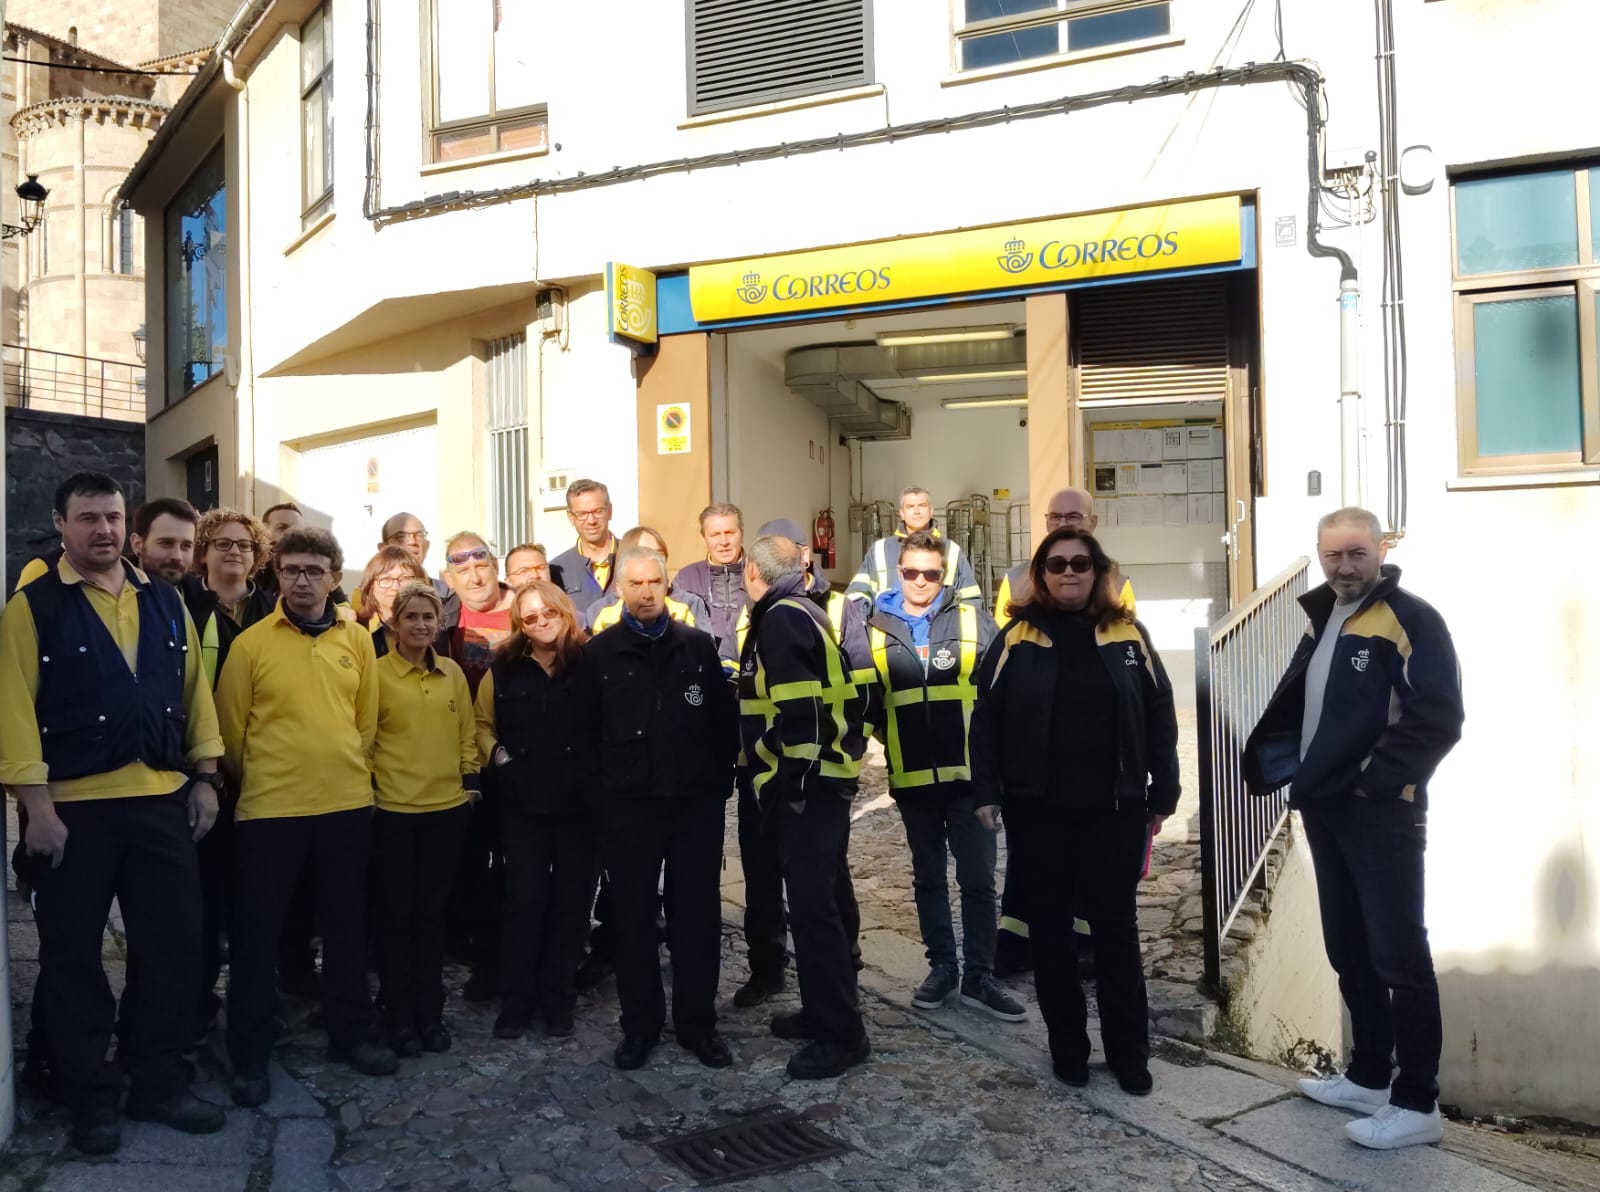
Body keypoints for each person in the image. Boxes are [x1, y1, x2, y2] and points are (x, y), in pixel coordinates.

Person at [0, 471, 225, 1154]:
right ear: (61, 526)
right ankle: (89, 1095)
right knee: (73, 959)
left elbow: (192, 694)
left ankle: (157, 1081)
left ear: (128, 527)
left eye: (112, 517)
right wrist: (35, 807)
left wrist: (206, 777)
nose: (102, 530)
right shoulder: (30, 607)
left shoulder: (166, 602)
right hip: (74, 811)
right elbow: (12, 710)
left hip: (161, 804)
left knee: (172, 950)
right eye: (87, 518)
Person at [1244, 508, 1463, 1151]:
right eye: (1333, 554)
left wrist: (1374, 779)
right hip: (1328, 807)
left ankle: (1417, 1102)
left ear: (1380, 550)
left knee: (1400, 957)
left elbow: (1439, 715)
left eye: (1357, 554)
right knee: (1349, 948)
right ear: (1319, 554)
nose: (1345, 566)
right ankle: (1370, 1076)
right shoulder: (1329, 615)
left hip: (1381, 811)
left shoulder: (1410, 619)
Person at [970, 527, 1179, 1095]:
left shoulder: (1129, 635)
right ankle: (1068, 1050)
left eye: (1080, 564)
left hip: (1114, 811)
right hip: (1039, 813)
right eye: (1056, 565)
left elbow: (1161, 714)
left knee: (1116, 935)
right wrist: (986, 791)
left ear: (1098, 572)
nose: (1068, 573)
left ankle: (1129, 1054)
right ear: (1041, 576)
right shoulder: (1018, 636)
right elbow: (985, 718)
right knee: (1052, 938)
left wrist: (1165, 792)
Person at [215, 525, 398, 1107]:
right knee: (257, 935)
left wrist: (343, 769)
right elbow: (230, 733)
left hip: (345, 806)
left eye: (314, 570)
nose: (302, 580)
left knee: (345, 929)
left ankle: (351, 1034)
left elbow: (365, 721)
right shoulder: (250, 644)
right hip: (271, 810)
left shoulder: (359, 640)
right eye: (291, 569)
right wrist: (264, 781)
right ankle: (249, 1053)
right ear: (276, 575)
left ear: (332, 576)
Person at [578, 546, 738, 1071]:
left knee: (697, 918)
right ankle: (639, 1028)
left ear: (667, 586)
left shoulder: (696, 646)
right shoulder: (599, 655)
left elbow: (722, 725)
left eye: (655, 583)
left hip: (693, 809)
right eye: (636, 584)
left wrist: (716, 788)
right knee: (633, 922)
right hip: (629, 810)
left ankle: (697, 1025)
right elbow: (586, 736)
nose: (646, 593)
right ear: (620, 589)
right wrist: (603, 799)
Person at [866, 530, 1024, 1022]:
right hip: (912, 779)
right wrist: (889, 742)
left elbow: (1004, 697)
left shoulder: (974, 620)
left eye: (931, 574)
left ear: (944, 575)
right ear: (899, 573)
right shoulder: (872, 626)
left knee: (978, 879)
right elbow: (864, 698)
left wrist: (999, 770)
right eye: (910, 572)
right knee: (929, 877)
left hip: (970, 779)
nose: (920, 581)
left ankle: (980, 974)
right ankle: (942, 968)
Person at [740, 533, 872, 1079]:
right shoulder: (808, 610)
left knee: (814, 913)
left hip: (807, 789)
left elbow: (802, 711)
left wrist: (789, 784)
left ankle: (841, 1033)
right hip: (824, 783)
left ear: (754, 571)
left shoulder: (781, 618)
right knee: (828, 903)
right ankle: (825, 1010)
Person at [992, 485, 1136, 980]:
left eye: (1072, 515)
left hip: (1092, 755)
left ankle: (1083, 941)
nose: (1060, 521)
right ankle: (1013, 941)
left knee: (1084, 866)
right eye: (1053, 515)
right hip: (1030, 750)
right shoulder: (1014, 579)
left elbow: (1125, 651)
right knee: (1027, 861)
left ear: (1093, 522)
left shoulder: (1116, 578)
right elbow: (1004, 654)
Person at [476, 580, 599, 1040]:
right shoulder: (503, 667)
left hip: (578, 807)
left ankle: (558, 1000)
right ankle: (516, 1001)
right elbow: (481, 724)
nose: (542, 622)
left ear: (564, 612)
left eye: (549, 612)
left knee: (570, 908)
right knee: (523, 904)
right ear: (520, 625)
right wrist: (500, 758)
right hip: (522, 804)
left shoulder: (591, 663)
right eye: (530, 617)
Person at [369, 581, 478, 1057]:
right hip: (393, 811)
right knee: (396, 917)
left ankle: (430, 1013)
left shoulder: (451, 672)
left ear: (439, 625)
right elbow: (365, 740)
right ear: (394, 622)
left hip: (445, 811)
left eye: (427, 618)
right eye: (410, 617)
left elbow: (466, 733)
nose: (419, 625)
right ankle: (397, 1015)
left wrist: (469, 784)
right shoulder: (375, 675)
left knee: (434, 917)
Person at [181, 507, 276, 1038]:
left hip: (262, 772)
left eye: (243, 544)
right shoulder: (181, 607)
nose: (233, 551)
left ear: (258, 555)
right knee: (201, 899)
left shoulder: (272, 609)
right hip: (202, 771)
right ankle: (195, 1007)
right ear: (203, 552)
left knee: (254, 902)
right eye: (221, 543)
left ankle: (256, 1008)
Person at [438, 531, 514, 1001]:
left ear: (495, 563)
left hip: (519, 758)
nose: (474, 574)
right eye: (461, 568)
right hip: (462, 758)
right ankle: (480, 950)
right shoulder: (443, 618)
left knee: (516, 865)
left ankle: (513, 955)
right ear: (449, 577)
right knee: (471, 861)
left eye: (481, 562)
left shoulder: (528, 606)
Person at [846, 486, 982, 608]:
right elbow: (857, 594)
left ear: (931, 511)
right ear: (902, 513)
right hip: (887, 630)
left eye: (922, 505)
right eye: (910, 506)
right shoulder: (880, 550)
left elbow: (971, 600)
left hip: (938, 633)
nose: (917, 511)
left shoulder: (952, 550)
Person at [584, 525, 711, 633]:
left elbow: (705, 652)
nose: (654, 559)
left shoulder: (690, 604)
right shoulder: (600, 611)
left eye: (659, 553)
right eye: (645, 552)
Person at [673, 503, 747, 660]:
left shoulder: (759, 574)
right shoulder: (686, 578)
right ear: (703, 538)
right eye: (715, 535)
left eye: (730, 532)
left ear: (742, 533)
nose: (724, 541)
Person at [549, 479, 618, 608]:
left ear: (609, 511)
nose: (591, 520)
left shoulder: (633, 557)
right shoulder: (556, 570)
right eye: (582, 514)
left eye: (598, 511)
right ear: (570, 517)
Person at [355, 546, 428, 650]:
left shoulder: (433, 629)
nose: (395, 587)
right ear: (370, 587)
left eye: (405, 578)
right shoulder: (356, 629)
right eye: (386, 579)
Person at [128, 497, 199, 586]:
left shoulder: (204, 597)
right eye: (166, 543)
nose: (177, 556)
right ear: (137, 545)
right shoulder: (114, 594)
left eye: (186, 546)